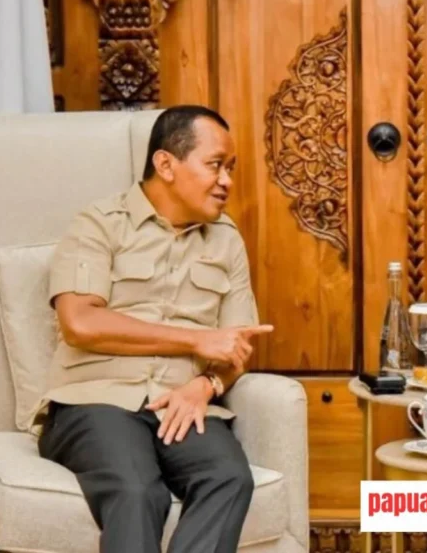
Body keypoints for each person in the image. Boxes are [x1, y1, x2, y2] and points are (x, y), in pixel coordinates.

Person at [32, 105, 273, 553]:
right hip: (94, 401)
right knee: (138, 489)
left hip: (181, 403)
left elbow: (237, 344)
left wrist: (206, 385)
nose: (227, 181)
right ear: (166, 164)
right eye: (215, 165)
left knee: (228, 477)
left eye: (231, 168)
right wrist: (196, 340)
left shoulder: (226, 239)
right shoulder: (99, 224)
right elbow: (80, 322)